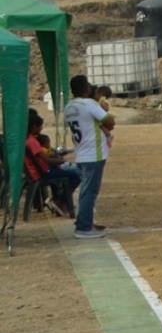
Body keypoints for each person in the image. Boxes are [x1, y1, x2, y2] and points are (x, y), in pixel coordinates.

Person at [61, 75, 114, 238]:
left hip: (82, 152)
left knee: (87, 190)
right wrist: (104, 112)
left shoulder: (69, 107)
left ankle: (85, 222)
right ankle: (84, 227)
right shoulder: (89, 104)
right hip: (93, 153)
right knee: (89, 191)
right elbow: (109, 122)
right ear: (86, 89)